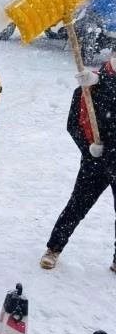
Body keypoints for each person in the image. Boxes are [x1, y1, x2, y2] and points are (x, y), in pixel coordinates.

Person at [41, 56, 116, 271]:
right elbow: (73, 124)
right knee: (77, 206)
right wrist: (89, 147)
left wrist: (100, 81)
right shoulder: (86, 90)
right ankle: (54, 248)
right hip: (95, 162)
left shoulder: (98, 82)